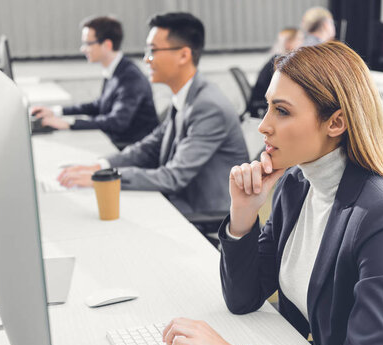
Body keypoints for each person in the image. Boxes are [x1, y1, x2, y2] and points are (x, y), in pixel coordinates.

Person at [161, 41, 383, 345]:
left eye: (282, 111)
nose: (264, 126)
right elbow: (244, 297)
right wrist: (243, 216)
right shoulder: (296, 183)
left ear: (336, 122)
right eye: (268, 107)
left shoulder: (381, 213)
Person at [57, 13, 249, 215]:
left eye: (153, 50)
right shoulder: (186, 96)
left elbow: (173, 177)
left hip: (203, 213)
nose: (146, 59)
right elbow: (150, 147)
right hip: (180, 200)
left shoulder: (208, 106)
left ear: (184, 55)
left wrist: (108, 176)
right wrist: (100, 166)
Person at [31, 16, 158, 150]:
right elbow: (98, 105)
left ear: (107, 45)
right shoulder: (115, 70)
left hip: (131, 148)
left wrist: (68, 123)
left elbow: (117, 122)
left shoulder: (130, 77)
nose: (83, 49)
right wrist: (56, 112)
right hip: (116, 141)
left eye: (88, 43)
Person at [248, 27, 303, 118]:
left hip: (264, 101)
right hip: (265, 103)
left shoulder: (277, 59)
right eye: (300, 39)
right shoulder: (281, 63)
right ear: (289, 43)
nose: (302, 43)